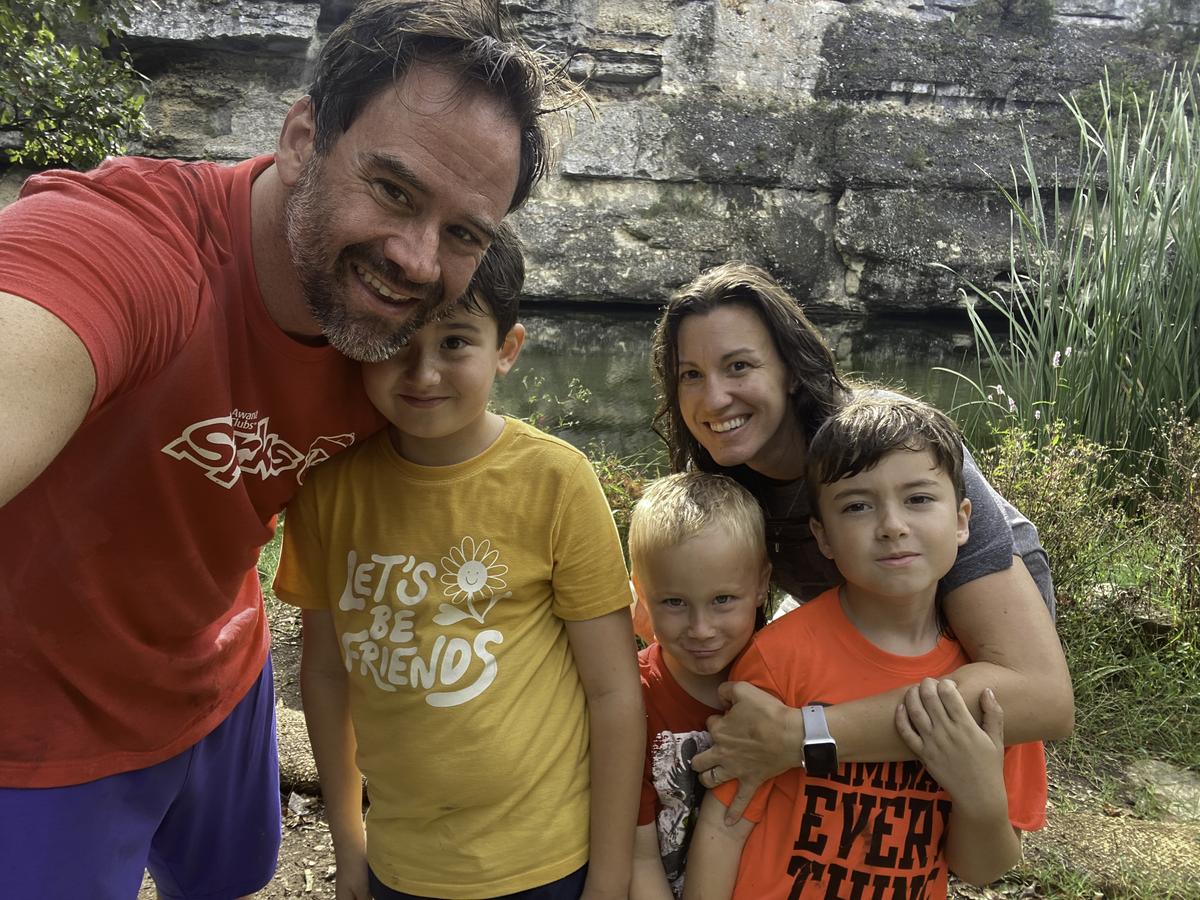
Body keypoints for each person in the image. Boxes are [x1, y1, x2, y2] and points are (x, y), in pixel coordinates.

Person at [0, 2, 570, 897]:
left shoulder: (392, 352)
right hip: (37, 724)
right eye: (394, 189)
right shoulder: (138, 248)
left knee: (234, 877)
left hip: (224, 675)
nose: (418, 262)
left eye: (464, 233)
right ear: (304, 137)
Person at [273, 228, 643, 900]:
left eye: (454, 341)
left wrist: (611, 875)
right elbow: (325, 677)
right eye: (397, 340)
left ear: (507, 350)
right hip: (399, 865)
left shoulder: (557, 480)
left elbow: (614, 692)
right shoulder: (327, 491)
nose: (423, 372)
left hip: (548, 863)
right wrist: (348, 843)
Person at [649, 262, 1072, 820]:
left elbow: (1040, 697)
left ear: (791, 371)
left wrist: (801, 735)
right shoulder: (725, 478)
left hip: (963, 627)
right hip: (873, 627)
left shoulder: (890, 455)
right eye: (691, 375)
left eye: (739, 366)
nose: (714, 398)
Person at [684, 394, 1047, 899]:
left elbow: (981, 867)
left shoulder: (989, 687)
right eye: (857, 506)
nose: (892, 525)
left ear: (963, 519)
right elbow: (725, 826)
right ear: (823, 537)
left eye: (919, 499)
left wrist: (980, 793)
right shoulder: (779, 658)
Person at [627, 472, 771, 899]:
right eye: (674, 602)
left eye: (723, 600)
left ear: (762, 584)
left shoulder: (782, 681)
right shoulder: (634, 699)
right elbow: (640, 857)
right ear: (641, 591)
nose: (701, 629)